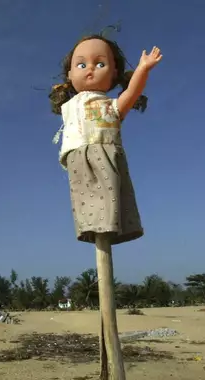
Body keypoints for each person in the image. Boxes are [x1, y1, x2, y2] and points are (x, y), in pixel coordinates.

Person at [49, 35, 162, 245]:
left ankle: (112, 228)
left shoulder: (112, 106)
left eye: (100, 63)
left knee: (113, 197)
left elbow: (132, 92)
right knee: (86, 200)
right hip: (78, 153)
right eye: (81, 64)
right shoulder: (70, 105)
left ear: (114, 73)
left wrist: (142, 69)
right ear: (70, 74)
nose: (90, 69)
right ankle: (93, 229)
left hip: (106, 153)